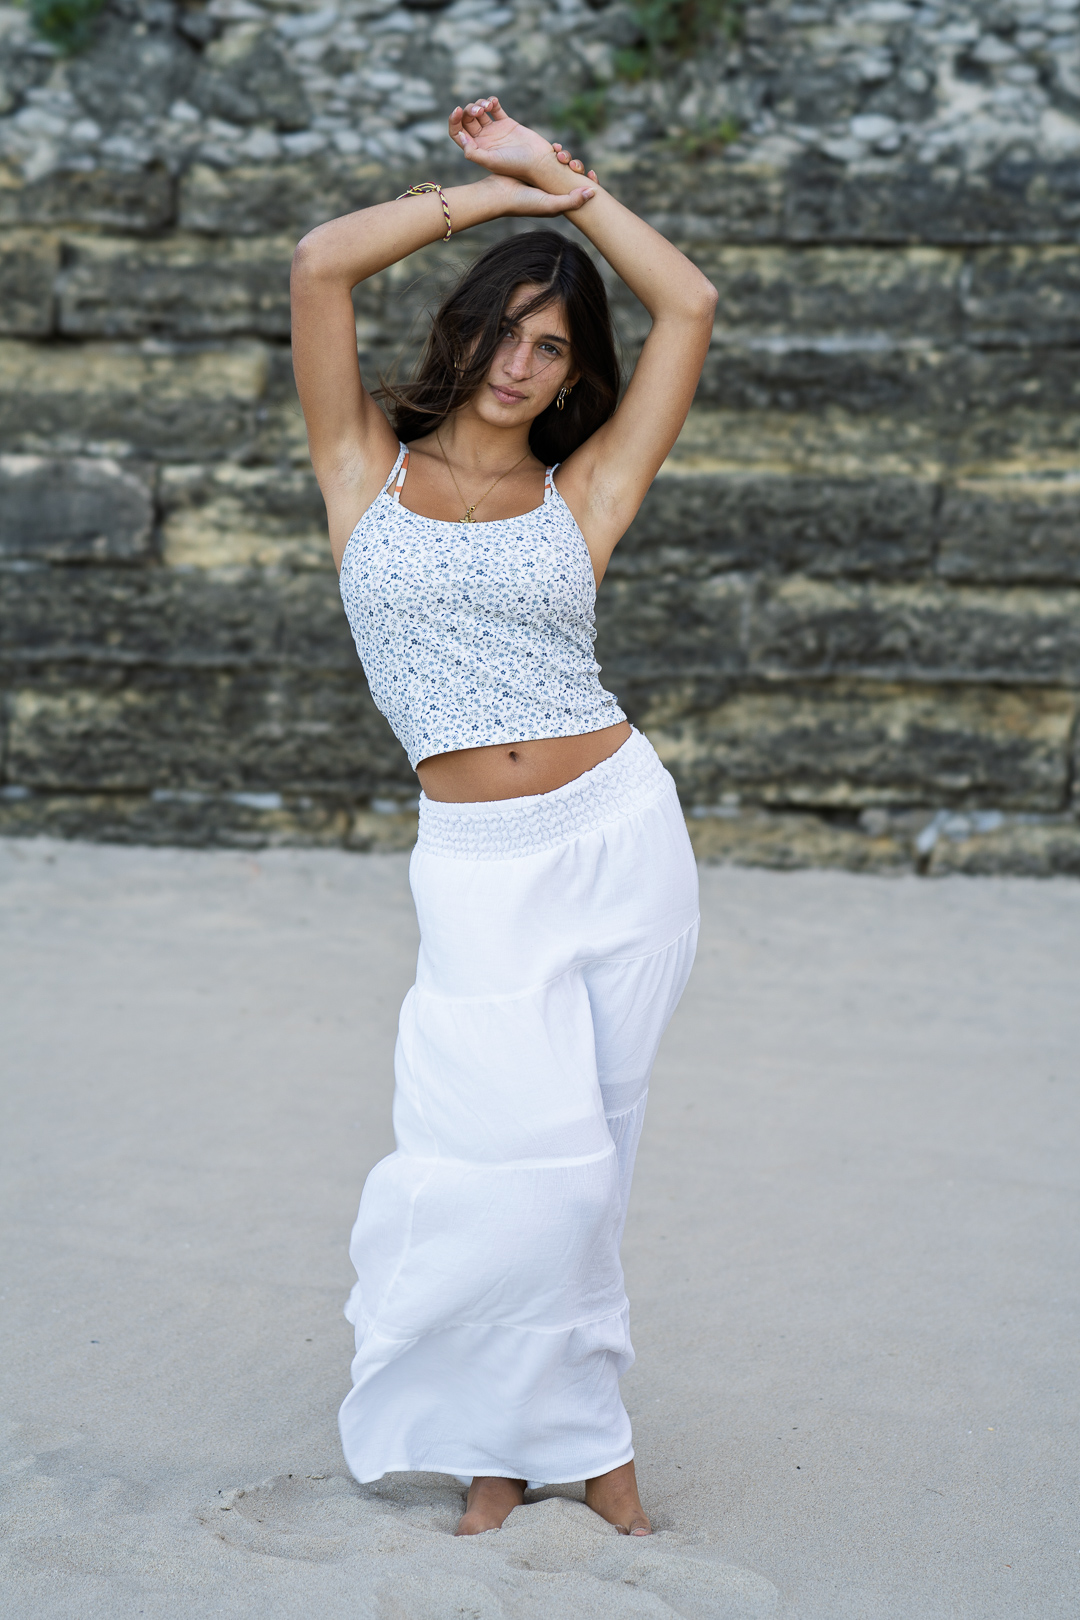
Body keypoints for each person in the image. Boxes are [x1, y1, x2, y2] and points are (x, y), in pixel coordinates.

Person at [291, 96, 716, 1538]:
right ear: (463, 331)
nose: (522, 366)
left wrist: (574, 192)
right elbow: (321, 264)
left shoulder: (582, 491)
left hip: (621, 834)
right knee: (500, 1172)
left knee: (589, 1171)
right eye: (505, 333)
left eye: (554, 349)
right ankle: (541, 1449)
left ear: (576, 375)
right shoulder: (362, 468)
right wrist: (505, 198)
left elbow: (690, 302)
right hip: (476, 866)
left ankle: (529, 1456)